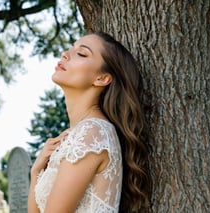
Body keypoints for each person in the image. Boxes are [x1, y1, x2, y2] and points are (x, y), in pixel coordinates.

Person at [28, 31, 151, 213]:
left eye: (82, 53)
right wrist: (36, 172)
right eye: (71, 48)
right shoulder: (83, 132)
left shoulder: (92, 133)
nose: (65, 54)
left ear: (101, 78)